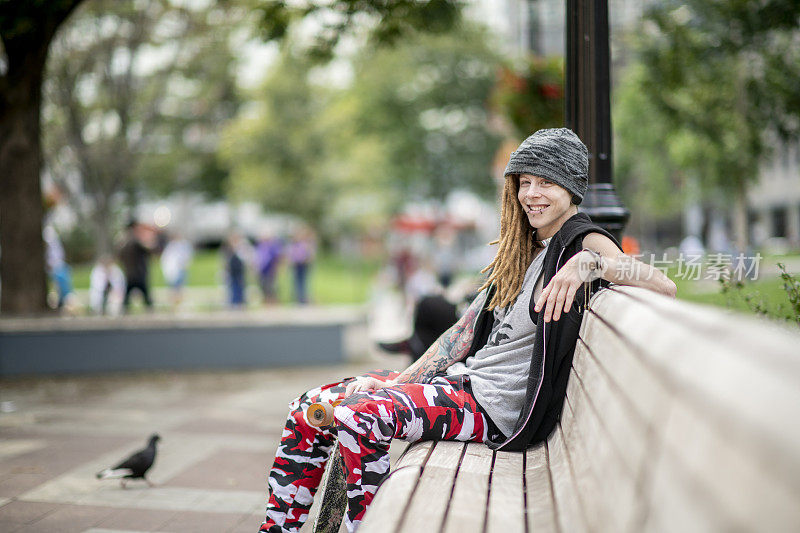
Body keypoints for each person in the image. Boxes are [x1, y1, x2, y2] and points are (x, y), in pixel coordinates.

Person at [258, 128, 677, 533]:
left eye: (546, 182)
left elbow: (664, 285)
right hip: (461, 386)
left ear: (571, 188)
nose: (531, 194)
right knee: (307, 407)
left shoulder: (581, 239)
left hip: (492, 408)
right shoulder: (525, 248)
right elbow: (460, 334)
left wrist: (591, 263)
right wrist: (391, 382)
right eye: (524, 182)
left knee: (358, 416)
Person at [118, 221, 154, 312]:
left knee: (127, 296)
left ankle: (125, 310)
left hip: (129, 273)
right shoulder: (136, 241)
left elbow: (119, 256)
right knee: (145, 295)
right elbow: (149, 250)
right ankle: (150, 310)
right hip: (139, 273)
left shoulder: (123, 243)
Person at [160, 233, 194, 308]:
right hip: (174, 269)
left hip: (179, 269)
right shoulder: (172, 246)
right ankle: (174, 304)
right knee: (175, 289)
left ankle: (177, 304)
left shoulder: (182, 245)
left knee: (179, 289)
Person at [286, 227, 316, 305]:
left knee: (303, 282)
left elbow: (310, 255)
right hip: (296, 265)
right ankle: (298, 298)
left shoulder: (306, 244)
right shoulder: (294, 244)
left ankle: (303, 298)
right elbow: (291, 255)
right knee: (296, 282)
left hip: (304, 265)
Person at [255, 230, 283, 305]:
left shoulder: (273, 247)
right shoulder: (260, 246)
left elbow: (277, 258)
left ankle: (272, 302)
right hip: (262, 270)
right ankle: (266, 301)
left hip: (271, 270)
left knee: (271, 287)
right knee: (263, 286)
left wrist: (277, 268)